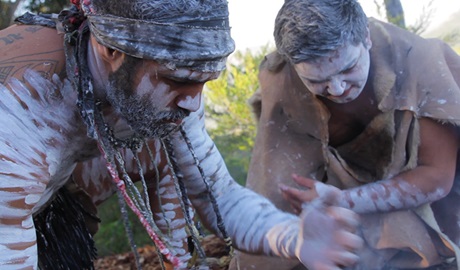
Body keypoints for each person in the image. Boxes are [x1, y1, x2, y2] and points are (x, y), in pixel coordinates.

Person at [0, 0, 363, 269]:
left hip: (46, 193)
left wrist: (294, 236)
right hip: (16, 196)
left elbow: (218, 195)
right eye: (177, 80)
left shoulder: (165, 85)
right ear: (110, 50)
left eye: (204, 82)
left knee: (164, 146)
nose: (193, 102)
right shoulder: (19, 109)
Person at [229, 0, 460, 269]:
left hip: (436, 202)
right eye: (317, 81)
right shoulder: (284, 80)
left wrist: (344, 201)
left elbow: (436, 178)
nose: (337, 89)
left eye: (348, 69)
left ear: (366, 38)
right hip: (343, 209)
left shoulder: (418, 61)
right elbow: (272, 186)